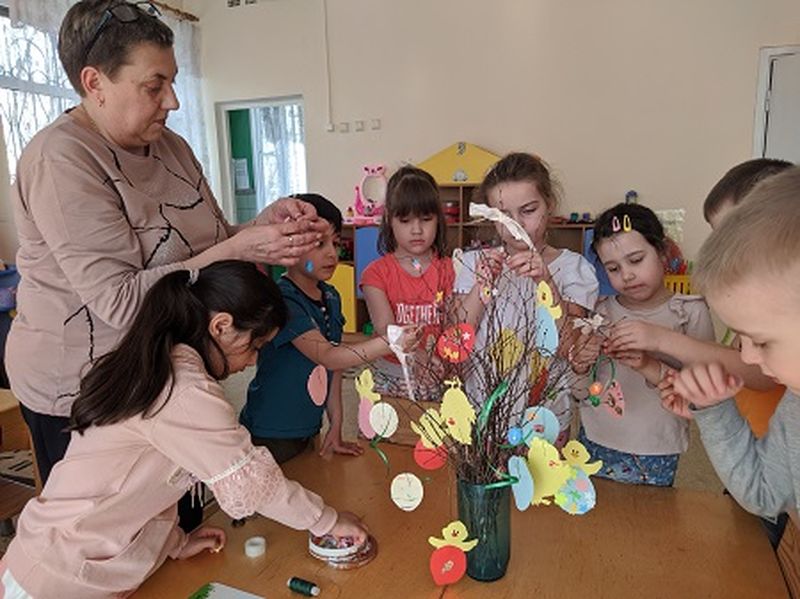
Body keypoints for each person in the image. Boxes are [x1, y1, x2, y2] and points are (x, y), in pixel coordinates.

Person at [6, 0, 325, 496]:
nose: (173, 101)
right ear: (95, 84)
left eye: (173, 82)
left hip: (161, 371)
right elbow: (120, 302)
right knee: (108, 536)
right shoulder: (62, 159)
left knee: (172, 521)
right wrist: (241, 246)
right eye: (155, 86)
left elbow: (210, 244)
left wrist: (261, 228)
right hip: (86, 386)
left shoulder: (170, 145)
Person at [0, 261, 368, 598]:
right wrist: (328, 520)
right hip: (55, 576)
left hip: (77, 560)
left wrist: (172, 541)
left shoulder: (166, 362)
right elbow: (255, 484)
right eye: (254, 346)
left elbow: (135, 486)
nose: (254, 360)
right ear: (221, 326)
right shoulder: (183, 389)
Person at [606, 158, 792, 438]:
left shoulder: (775, 311)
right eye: (718, 238)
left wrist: (659, 340)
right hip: (754, 454)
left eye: (732, 238)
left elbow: (759, 376)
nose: (721, 253)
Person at [660, 167, 800, 526]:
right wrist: (714, 408)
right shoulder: (795, 404)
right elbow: (765, 494)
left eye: (763, 341)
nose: (748, 356)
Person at [241, 194, 417, 463]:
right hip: (270, 430)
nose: (332, 254)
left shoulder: (331, 297)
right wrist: (389, 342)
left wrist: (335, 425)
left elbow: (334, 368)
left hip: (308, 427)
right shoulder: (283, 300)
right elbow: (328, 356)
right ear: (290, 245)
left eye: (335, 243)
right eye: (319, 244)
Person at [454, 152, 600, 446]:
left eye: (528, 210)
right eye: (503, 215)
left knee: (542, 489)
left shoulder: (573, 269)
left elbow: (569, 348)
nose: (515, 225)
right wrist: (480, 288)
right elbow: (457, 341)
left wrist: (545, 282)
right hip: (482, 412)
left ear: (550, 205)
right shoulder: (472, 263)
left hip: (544, 418)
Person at [575, 203, 715, 486]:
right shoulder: (599, 312)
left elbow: (703, 396)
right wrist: (580, 363)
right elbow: (580, 390)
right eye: (613, 268)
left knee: (649, 522)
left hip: (655, 447)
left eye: (636, 260)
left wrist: (648, 364)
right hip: (594, 438)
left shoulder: (690, 312)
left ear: (663, 253)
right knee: (590, 520)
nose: (626, 275)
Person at [360, 166, 456, 400]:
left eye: (426, 219)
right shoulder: (376, 274)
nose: (416, 230)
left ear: (438, 220)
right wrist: (420, 357)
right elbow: (386, 329)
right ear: (389, 220)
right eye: (405, 220)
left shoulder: (450, 268)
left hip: (437, 372)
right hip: (392, 374)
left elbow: (455, 323)